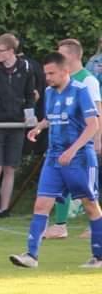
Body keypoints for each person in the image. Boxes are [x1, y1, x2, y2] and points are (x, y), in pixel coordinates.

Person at [10, 52, 102, 269]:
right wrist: (39, 127)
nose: (48, 77)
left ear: (65, 71)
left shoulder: (81, 92)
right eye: (46, 73)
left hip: (79, 158)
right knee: (41, 203)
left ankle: (98, 256)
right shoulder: (49, 93)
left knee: (90, 206)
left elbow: (93, 125)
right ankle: (31, 256)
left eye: (51, 73)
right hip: (54, 157)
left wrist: (73, 150)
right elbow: (52, 117)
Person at [44, 38, 102, 239]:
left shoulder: (88, 80)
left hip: (84, 145)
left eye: (62, 54)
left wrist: (97, 139)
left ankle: (93, 226)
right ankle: (60, 225)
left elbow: (97, 112)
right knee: (62, 185)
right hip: (65, 145)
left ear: (73, 56)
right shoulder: (62, 81)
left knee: (90, 188)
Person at [0, 33, 35, 217]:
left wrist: (29, 117)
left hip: (16, 124)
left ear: (11, 51)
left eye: (0, 51)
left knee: (11, 167)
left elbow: (29, 95)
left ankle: (4, 208)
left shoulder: (26, 67)